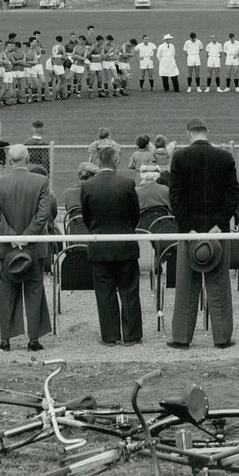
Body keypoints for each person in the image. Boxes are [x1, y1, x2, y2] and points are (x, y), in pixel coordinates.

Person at [168, 118, 239, 349]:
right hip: (217, 231)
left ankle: (181, 337)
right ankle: (222, 337)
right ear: (207, 132)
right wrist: (219, 223)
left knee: (186, 286)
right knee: (219, 285)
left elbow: (175, 197)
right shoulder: (225, 157)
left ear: (189, 133)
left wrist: (188, 226)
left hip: (188, 232)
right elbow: (233, 195)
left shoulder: (179, 157)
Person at [0, 145, 53, 352]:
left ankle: (6, 339)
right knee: (34, 290)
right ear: (26, 158)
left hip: (10, 247)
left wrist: (14, 238)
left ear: (9, 159)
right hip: (33, 246)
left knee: (7, 291)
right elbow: (43, 215)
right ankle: (33, 338)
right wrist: (25, 237)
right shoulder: (41, 181)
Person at [80, 143, 143, 346]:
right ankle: (131, 335)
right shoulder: (126, 183)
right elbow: (135, 215)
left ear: (98, 161)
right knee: (129, 290)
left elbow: (87, 218)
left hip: (101, 245)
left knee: (105, 292)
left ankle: (110, 335)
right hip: (124, 244)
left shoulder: (89, 186)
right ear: (116, 161)